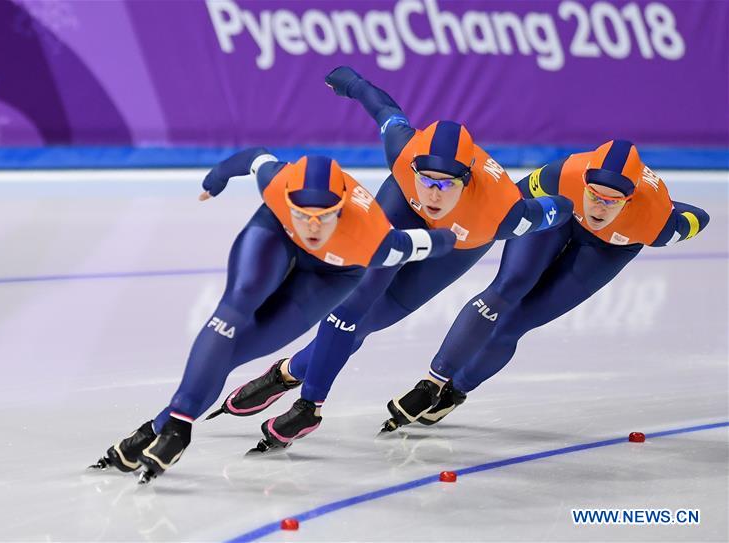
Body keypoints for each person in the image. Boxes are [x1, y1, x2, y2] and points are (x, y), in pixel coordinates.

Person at [208, 67, 573, 452]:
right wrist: (352, 84)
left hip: (457, 242)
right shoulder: (403, 148)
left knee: (368, 324)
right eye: (426, 179)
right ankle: (309, 406)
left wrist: (574, 203)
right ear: (413, 167)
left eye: (446, 184)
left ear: (466, 181)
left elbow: (555, 209)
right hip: (401, 211)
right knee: (350, 306)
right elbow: (383, 108)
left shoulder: (503, 214)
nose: (433, 193)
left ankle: (288, 372)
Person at [91, 149, 456, 482]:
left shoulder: (375, 239)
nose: (312, 226)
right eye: (304, 215)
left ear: (341, 209)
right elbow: (252, 159)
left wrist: (451, 238)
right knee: (236, 305)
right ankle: (178, 426)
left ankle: (158, 427)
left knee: (234, 352)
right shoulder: (277, 183)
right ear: (288, 201)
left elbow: (425, 244)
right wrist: (216, 177)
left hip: (333, 273)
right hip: (277, 234)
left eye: (323, 217)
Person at [380, 139, 711, 431]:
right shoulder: (562, 174)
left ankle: (455, 391)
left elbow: (699, 216)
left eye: (611, 201)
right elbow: (514, 199)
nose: (599, 207)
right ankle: (433, 382)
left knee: (515, 323)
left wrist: (667, 208)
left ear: (631, 198)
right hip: (560, 216)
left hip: (608, 247)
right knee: (509, 287)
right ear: (583, 181)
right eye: (594, 195)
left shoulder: (657, 222)